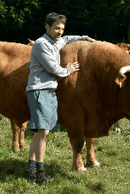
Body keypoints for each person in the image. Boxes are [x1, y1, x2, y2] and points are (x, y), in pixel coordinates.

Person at [25, 12, 94, 184]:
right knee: (43, 132)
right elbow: (53, 69)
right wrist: (69, 70)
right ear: (47, 27)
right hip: (40, 91)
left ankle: (31, 169)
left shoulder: (56, 41)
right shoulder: (41, 44)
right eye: (56, 28)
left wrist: (84, 37)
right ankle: (40, 173)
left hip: (47, 91)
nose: (60, 32)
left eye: (62, 28)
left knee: (41, 133)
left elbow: (68, 38)